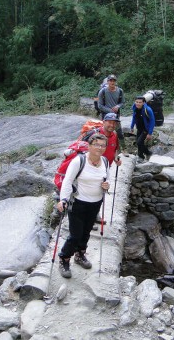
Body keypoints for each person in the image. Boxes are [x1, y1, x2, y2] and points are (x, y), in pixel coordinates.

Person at [56, 133, 110, 278]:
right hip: (78, 203)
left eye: (103, 145)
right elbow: (67, 181)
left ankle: (80, 255)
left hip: (96, 203)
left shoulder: (105, 161)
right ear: (89, 146)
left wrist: (106, 186)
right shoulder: (79, 161)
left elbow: (106, 180)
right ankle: (64, 258)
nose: (100, 148)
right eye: (96, 144)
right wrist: (63, 199)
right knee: (75, 235)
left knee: (86, 233)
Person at [97, 74, 126, 149]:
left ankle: (123, 149)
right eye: (110, 80)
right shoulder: (102, 91)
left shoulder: (120, 91)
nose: (112, 82)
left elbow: (122, 102)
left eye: (114, 81)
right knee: (104, 132)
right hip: (105, 115)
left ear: (116, 82)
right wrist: (110, 111)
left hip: (116, 116)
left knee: (119, 132)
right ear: (107, 82)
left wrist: (118, 106)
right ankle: (103, 147)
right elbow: (100, 105)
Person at [130, 96, 155, 163]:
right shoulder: (135, 108)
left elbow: (152, 121)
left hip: (145, 129)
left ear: (143, 103)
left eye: (140, 102)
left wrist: (149, 133)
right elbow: (134, 118)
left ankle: (148, 153)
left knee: (139, 142)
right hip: (139, 128)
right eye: (136, 102)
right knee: (138, 143)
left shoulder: (148, 110)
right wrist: (132, 127)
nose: (138, 104)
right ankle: (140, 156)